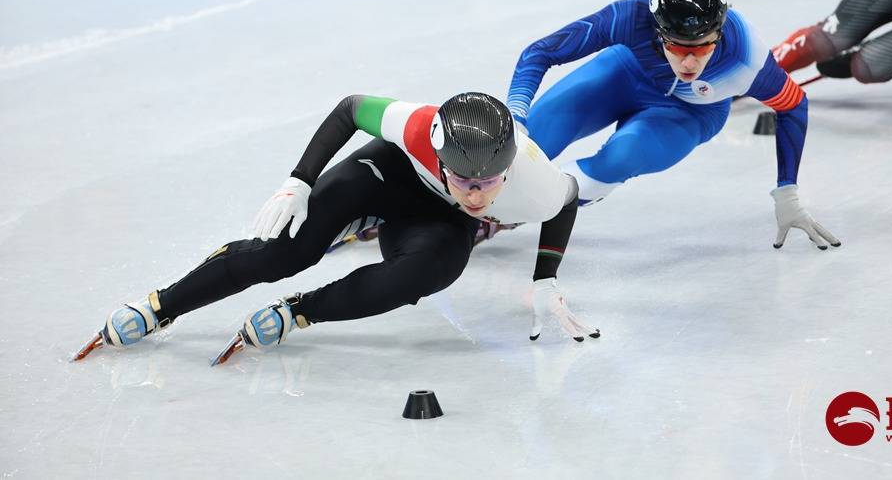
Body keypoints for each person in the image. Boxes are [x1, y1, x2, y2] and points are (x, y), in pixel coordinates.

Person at [77, 92, 599, 364]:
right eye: (465, 179)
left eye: (490, 182)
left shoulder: (535, 180)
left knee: (428, 273)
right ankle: (161, 306)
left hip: (435, 223)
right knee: (281, 254)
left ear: (510, 168)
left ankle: (299, 312)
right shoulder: (418, 125)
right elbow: (351, 109)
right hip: (388, 175)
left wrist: (545, 277)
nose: (478, 193)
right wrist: (298, 181)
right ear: (439, 154)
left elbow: (565, 202)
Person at [507, 0, 839, 250]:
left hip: (690, 112)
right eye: (678, 48)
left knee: (621, 157)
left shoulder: (746, 57)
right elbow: (540, 52)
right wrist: (517, 114)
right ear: (657, 29)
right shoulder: (629, 17)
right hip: (624, 73)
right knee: (526, 144)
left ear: (720, 33)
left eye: (705, 46)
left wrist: (787, 191)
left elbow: (793, 105)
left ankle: (509, 214)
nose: (690, 62)